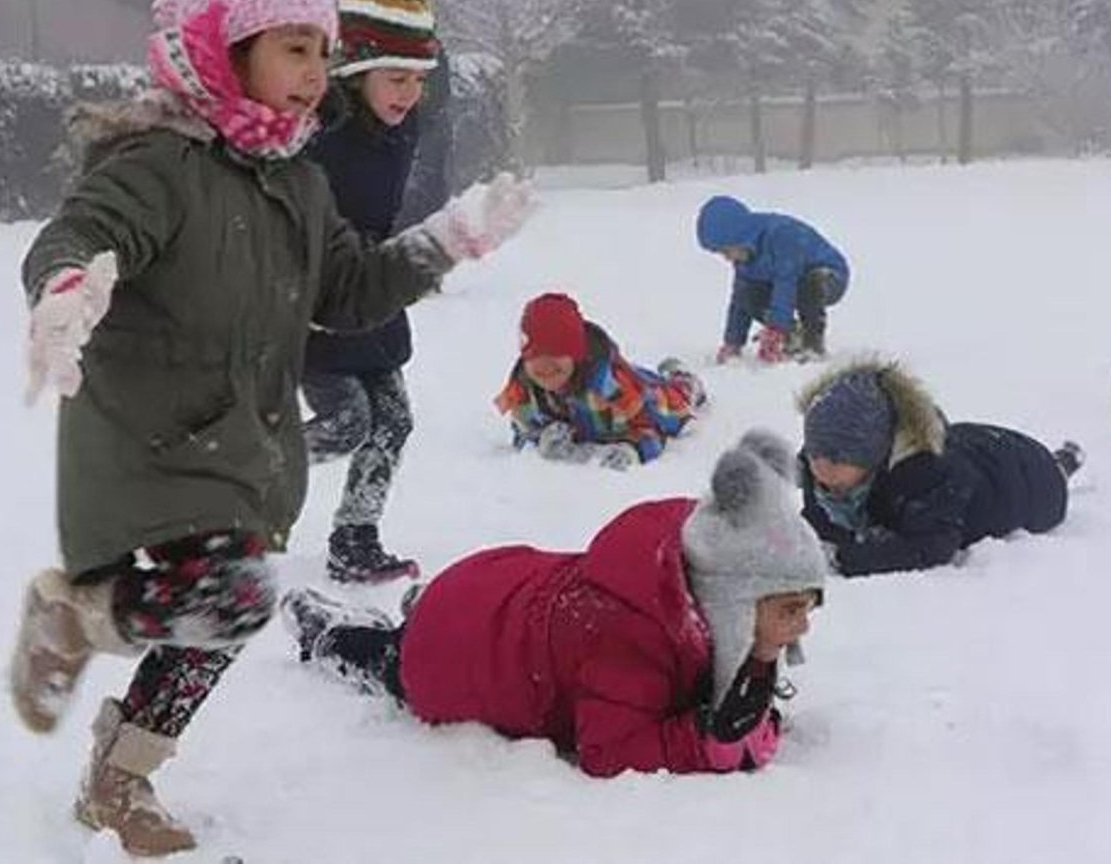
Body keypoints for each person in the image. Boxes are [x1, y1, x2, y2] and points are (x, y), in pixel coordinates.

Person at [4, 0, 533, 857]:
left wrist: (447, 240)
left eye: (322, 51)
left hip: (244, 444)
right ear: (221, 45)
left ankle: (117, 780)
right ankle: (72, 618)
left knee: (218, 622)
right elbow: (83, 233)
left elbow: (347, 292)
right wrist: (66, 290)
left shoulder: (297, 179)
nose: (315, 72)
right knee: (234, 598)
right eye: (294, 47)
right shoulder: (155, 164)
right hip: (154, 441)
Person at [280, 430, 828, 778]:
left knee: (447, 616)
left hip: (497, 589)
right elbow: (608, 751)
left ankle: (425, 607)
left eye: (807, 607)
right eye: (789, 610)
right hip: (460, 655)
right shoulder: (632, 636)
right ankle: (327, 632)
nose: (802, 624)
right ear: (732, 602)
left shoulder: (699, 561)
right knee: (392, 659)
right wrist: (699, 741)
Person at [302, 0, 442, 583]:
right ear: (355, 73)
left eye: (417, 78)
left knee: (394, 419)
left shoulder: (404, 123)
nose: (407, 92)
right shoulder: (317, 128)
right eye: (394, 78)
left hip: (375, 290)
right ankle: (244, 475)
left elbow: (439, 76)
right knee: (345, 422)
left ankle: (355, 537)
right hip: (317, 301)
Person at [798, 358, 1082, 577]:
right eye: (816, 462)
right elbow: (817, 520)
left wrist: (843, 558)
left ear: (876, 457)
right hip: (976, 444)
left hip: (1030, 478)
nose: (824, 480)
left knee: (1052, 476)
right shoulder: (817, 464)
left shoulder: (926, 475)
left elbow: (931, 546)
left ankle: (1065, 462)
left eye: (839, 472)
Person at [494, 292, 704, 469]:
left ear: (575, 355)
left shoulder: (612, 388)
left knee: (674, 402)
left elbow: (651, 431)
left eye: (556, 363)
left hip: (648, 400)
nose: (546, 371)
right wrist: (538, 441)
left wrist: (632, 450)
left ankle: (682, 378)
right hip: (599, 411)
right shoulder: (523, 387)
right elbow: (521, 430)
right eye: (536, 364)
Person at [695, 195, 848, 364]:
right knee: (748, 293)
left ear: (740, 237)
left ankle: (812, 345)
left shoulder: (782, 235)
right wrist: (733, 343)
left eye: (727, 251)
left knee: (808, 286)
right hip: (785, 281)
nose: (727, 258)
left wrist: (776, 330)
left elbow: (786, 283)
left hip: (828, 276)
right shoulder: (744, 257)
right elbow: (739, 300)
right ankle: (792, 336)